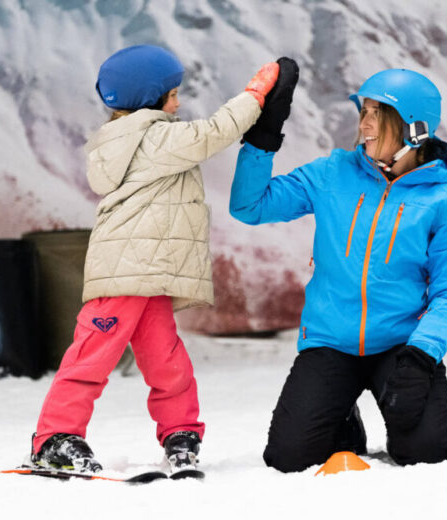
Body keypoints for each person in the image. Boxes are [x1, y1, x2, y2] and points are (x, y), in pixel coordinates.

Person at [30, 44, 281, 474]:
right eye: (172, 95)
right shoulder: (153, 135)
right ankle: (55, 436)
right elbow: (215, 131)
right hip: (126, 272)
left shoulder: (131, 137)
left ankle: (180, 433)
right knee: (92, 354)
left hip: (149, 275)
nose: (178, 103)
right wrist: (255, 94)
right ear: (151, 100)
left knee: (166, 359)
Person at [230, 64, 447, 472]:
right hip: (330, 342)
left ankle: (395, 394)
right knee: (289, 458)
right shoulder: (332, 173)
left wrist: (421, 356)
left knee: (430, 451)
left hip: (401, 345)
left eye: (378, 115)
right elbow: (249, 206)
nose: (365, 125)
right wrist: (263, 137)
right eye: (364, 112)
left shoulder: (444, 198)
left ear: (414, 130)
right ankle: (342, 416)